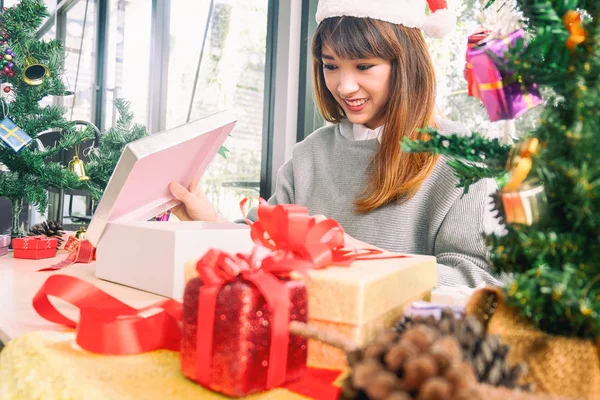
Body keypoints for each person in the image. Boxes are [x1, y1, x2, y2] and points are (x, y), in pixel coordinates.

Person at [169, 0, 505, 287]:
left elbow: (477, 280)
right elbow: (263, 242)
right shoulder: (310, 155)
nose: (344, 86)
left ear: (406, 65)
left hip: (400, 355)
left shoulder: (460, 154)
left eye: (363, 66)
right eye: (331, 66)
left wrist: (360, 258)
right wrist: (209, 219)